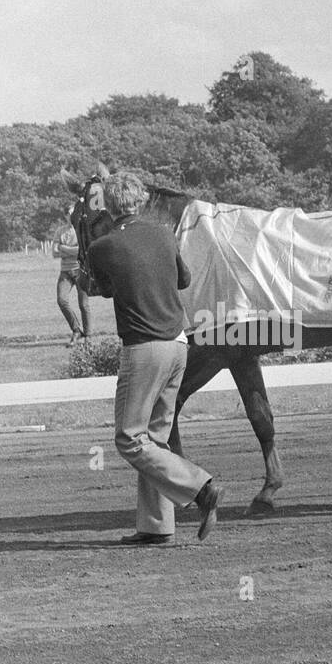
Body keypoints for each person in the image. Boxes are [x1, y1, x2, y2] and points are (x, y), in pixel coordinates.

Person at [86, 171, 224, 546]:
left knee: (130, 440)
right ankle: (156, 527)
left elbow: (102, 288)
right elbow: (183, 280)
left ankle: (201, 487)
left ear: (108, 207)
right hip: (179, 343)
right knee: (155, 441)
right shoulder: (165, 234)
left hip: (144, 348)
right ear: (141, 201)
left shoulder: (103, 247)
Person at [53, 214, 91, 346]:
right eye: (69, 214)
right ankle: (76, 330)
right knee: (62, 300)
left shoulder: (82, 230)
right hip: (65, 272)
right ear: (66, 216)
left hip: (81, 271)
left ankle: (88, 336)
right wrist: (74, 251)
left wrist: (63, 248)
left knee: (83, 304)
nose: (71, 216)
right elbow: (54, 253)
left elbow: (83, 250)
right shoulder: (60, 231)